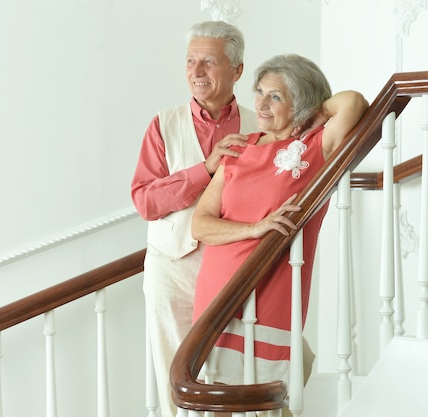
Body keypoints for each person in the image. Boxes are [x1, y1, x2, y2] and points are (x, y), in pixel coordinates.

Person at [191, 54, 368, 396]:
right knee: (213, 398)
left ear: (301, 105)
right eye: (259, 92)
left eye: (275, 96)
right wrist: (254, 229)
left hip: (271, 292)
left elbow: (354, 102)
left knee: (264, 397)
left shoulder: (317, 147)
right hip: (216, 288)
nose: (260, 103)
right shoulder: (239, 149)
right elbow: (200, 225)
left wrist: (314, 113)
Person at [130, 20, 258, 417]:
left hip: (235, 269)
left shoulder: (260, 125)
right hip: (171, 267)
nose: (196, 72)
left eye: (209, 62)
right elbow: (145, 200)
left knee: (236, 372)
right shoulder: (163, 125)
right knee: (175, 374)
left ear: (236, 70)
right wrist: (205, 169)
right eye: (190, 61)